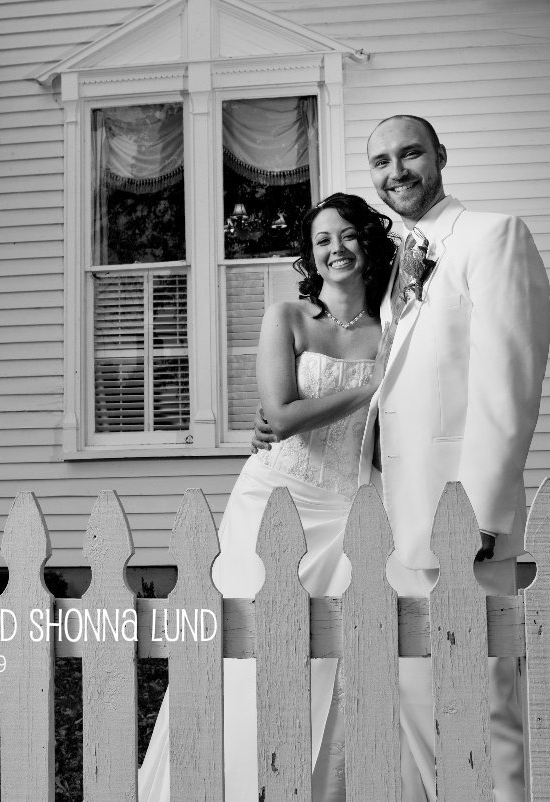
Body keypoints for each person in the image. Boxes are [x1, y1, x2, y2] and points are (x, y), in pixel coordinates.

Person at [255, 115, 550, 801]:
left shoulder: (491, 236)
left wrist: (477, 518)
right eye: (381, 161)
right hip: (390, 517)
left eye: (410, 153)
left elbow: (508, 389)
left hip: (458, 521)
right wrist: (284, 421)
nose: (397, 171)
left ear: (439, 155)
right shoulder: (397, 273)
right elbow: (387, 386)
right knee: (420, 702)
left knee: (481, 702)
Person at [138, 192, 397, 801]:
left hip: (349, 504)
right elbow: (279, 416)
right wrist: (370, 386)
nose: (336, 248)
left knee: (330, 653)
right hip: (275, 498)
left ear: (369, 240)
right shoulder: (287, 317)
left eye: (347, 234)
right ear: (311, 256)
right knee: (244, 642)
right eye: (322, 240)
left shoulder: (395, 330)